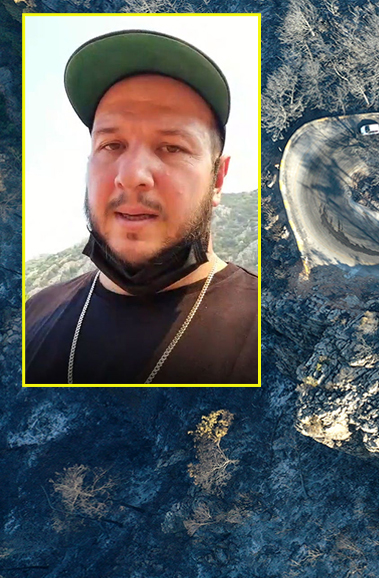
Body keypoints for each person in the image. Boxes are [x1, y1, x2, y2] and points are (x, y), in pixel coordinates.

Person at [25, 29, 258, 385]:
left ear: (217, 179)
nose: (131, 176)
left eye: (172, 147)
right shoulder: (32, 315)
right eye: (112, 145)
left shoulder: (271, 330)